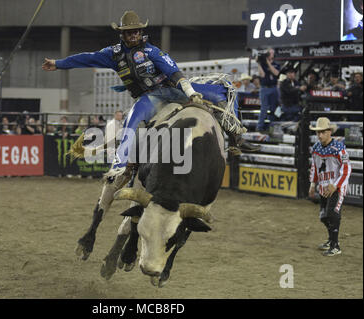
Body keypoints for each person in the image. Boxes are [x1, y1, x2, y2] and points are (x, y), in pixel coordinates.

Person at [42, 10, 258, 175]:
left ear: (141, 32)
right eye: (130, 32)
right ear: (123, 34)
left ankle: (236, 138)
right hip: (150, 97)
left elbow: (173, 71)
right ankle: (120, 163)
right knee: (132, 120)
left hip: (173, 90)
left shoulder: (151, 51)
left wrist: (190, 91)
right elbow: (86, 58)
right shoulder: (112, 54)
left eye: (137, 31)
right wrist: (58, 63)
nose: (134, 34)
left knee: (227, 91)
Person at [308, 117, 352, 256]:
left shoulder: (339, 148)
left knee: (332, 214)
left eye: (322, 132)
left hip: (337, 187)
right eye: (318, 132)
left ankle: (335, 245)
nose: (320, 135)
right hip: (324, 186)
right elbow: (314, 166)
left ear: (329, 132)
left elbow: (346, 169)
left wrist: (336, 185)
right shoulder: (316, 148)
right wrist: (312, 184)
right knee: (323, 216)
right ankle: (331, 240)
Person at [256, 48, 281, 134]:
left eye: (270, 53)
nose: (269, 55)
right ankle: (260, 127)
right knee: (264, 108)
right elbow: (262, 75)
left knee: (273, 108)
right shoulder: (262, 64)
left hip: (273, 88)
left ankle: (271, 126)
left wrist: (268, 62)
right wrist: (259, 63)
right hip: (264, 88)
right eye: (268, 53)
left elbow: (276, 73)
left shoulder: (276, 64)